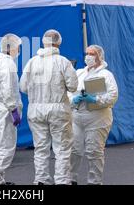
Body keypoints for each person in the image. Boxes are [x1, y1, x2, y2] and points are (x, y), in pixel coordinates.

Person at [20, 29, 78, 185]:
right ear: (58, 42)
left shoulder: (32, 62)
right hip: (58, 109)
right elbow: (73, 86)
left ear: (43, 42)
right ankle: (62, 180)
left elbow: (23, 87)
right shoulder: (62, 62)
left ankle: (41, 180)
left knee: (40, 148)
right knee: (62, 148)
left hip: (35, 110)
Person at [70, 45, 118, 185]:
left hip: (97, 118)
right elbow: (68, 92)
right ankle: (70, 179)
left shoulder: (106, 75)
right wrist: (73, 99)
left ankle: (94, 182)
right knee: (73, 149)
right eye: (87, 53)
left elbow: (113, 96)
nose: (88, 56)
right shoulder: (79, 73)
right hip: (77, 117)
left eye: (92, 53)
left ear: (99, 56)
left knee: (94, 152)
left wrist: (96, 99)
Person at [0, 33, 23, 185]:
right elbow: (7, 88)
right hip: (4, 110)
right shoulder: (7, 63)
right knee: (6, 146)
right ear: (11, 48)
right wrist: (13, 109)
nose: (18, 50)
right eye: (18, 47)